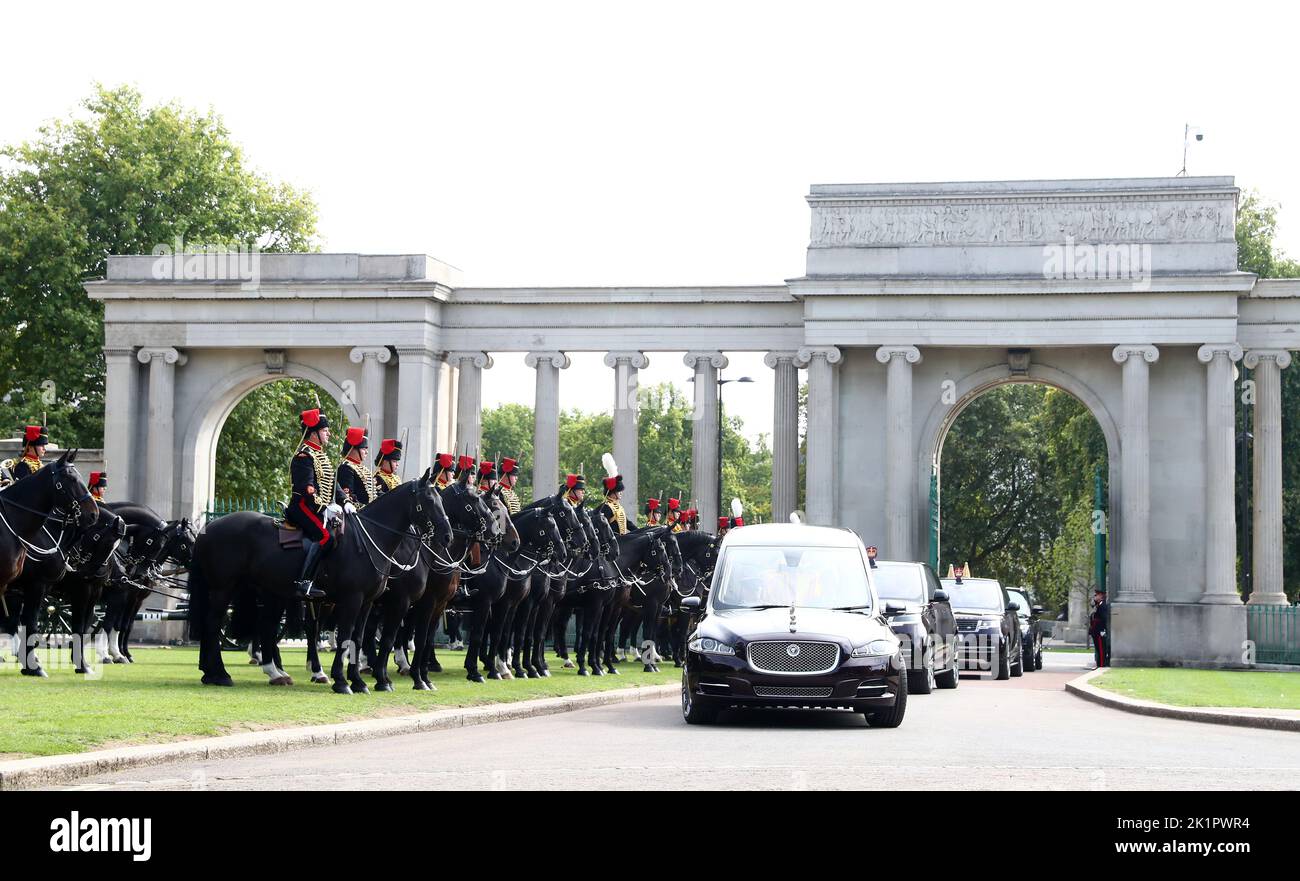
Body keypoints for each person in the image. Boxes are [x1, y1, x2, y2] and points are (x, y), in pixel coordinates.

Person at [284, 408, 349, 599]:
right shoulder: (304, 456)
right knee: (325, 537)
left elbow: (333, 482)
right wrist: (325, 507)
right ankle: (304, 582)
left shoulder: (322, 456)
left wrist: (345, 502)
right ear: (314, 433)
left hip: (320, 508)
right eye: (325, 430)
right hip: (303, 507)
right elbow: (307, 490)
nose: (328, 433)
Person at [336, 427, 376, 508]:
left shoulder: (361, 468)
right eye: (364, 448)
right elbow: (348, 496)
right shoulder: (346, 467)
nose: (366, 452)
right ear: (353, 448)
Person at [595, 453, 630, 535]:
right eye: (619, 491)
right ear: (612, 492)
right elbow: (603, 528)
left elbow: (628, 524)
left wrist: (641, 531)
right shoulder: (606, 507)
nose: (621, 493)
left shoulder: (619, 507)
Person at [1088, 587, 1110, 668]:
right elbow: (1092, 607)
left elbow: (1103, 618)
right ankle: (1099, 664)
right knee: (1098, 648)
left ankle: (1101, 665)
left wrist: (1102, 630)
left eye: (1096, 595)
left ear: (1101, 596)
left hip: (1099, 630)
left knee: (1101, 648)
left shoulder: (1102, 605)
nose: (1095, 597)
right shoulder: (1098, 605)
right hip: (1095, 630)